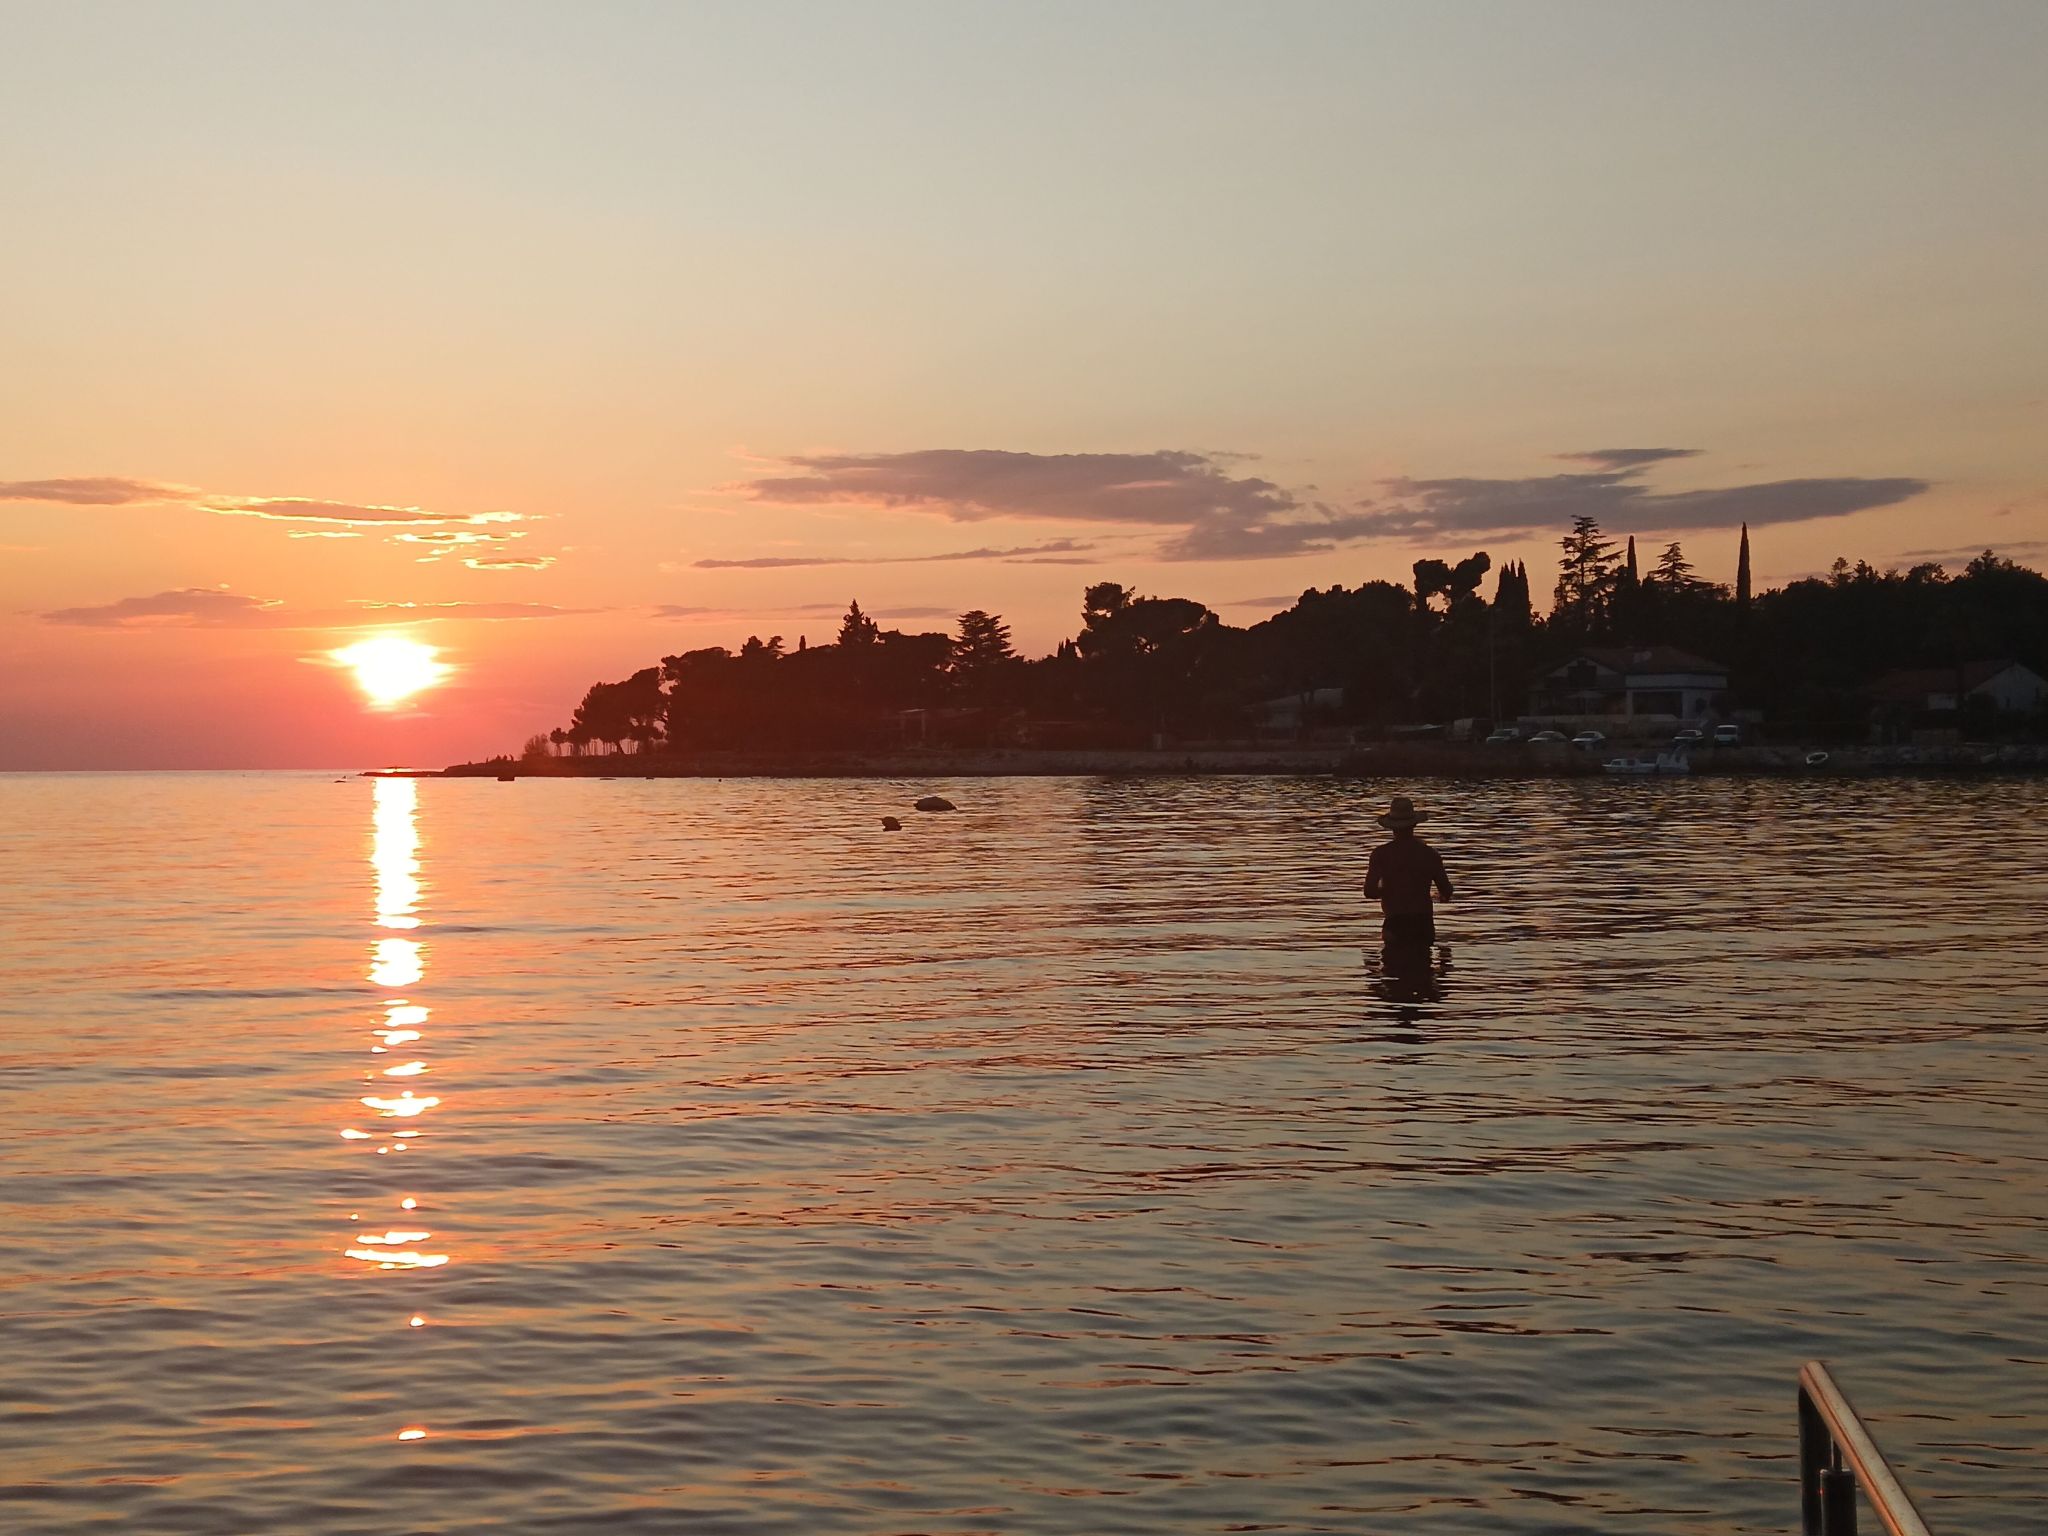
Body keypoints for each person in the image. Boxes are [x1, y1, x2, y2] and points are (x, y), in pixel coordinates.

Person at [1363, 796, 1452, 961]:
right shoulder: (1429, 854)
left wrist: (1389, 890)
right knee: (1423, 970)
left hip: (1395, 923)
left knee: (1392, 971)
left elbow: (1369, 891)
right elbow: (1446, 891)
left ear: (1391, 827)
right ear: (1414, 825)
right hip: (1422, 923)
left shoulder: (1380, 854)